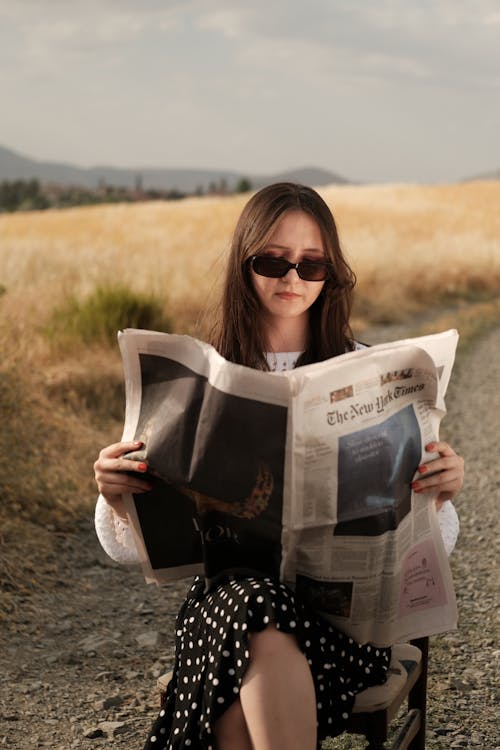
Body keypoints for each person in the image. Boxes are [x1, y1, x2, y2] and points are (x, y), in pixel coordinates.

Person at [94, 183, 464, 750]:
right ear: (245, 263)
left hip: (339, 630)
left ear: (330, 273)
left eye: (311, 264)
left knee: (239, 699)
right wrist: (116, 495)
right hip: (227, 607)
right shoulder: (202, 378)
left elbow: (429, 538)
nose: (292, 277)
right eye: (273, 260)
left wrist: (439, 494)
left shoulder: (372, 374)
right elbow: (125, 548)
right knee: (252, 606)